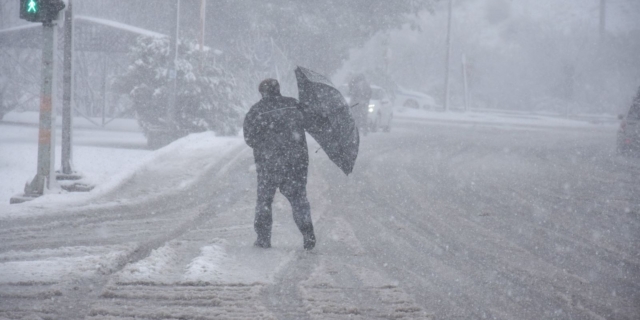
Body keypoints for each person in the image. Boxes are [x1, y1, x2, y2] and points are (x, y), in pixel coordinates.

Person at [243, 78, 316, 250]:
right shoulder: (294, 105)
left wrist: (265, 146)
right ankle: (308, 232)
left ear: (262, 92)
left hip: (268, 164)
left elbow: (249, 138)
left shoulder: (256, 111)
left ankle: (263, 238)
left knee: (264, 201)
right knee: (298, 199)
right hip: (296, 162)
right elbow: (312, 121)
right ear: (278, 89)